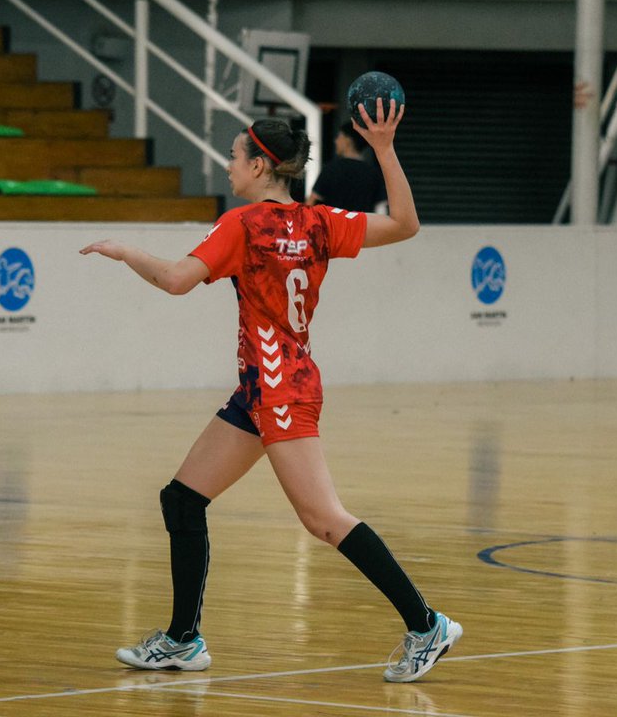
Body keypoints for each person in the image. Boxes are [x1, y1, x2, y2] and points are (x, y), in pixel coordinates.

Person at [80, 98, 461, 684]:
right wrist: (384, 150)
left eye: (234, 155)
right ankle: (182, 640)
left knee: (324, 519)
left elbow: (177, 280)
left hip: (280, 393)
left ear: (259, 165)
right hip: (264, 389)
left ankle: (426, 623)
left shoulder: (243, 224)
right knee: (182, 499)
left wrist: (126, 250)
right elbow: (406, 224)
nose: (228, 164)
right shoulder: (319, 222)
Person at [305, 120, 388, 214]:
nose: (336, 141)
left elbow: (311, 203)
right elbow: (381, 209)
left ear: (348, 140)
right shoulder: (373, 173)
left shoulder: (331, 169)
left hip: (333, 223)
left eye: (339, 136)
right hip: (363, 223)